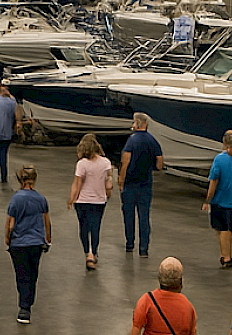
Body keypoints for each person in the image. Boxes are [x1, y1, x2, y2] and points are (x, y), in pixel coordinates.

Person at [4, 165, 50, 324]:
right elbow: (47, 222)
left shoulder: (16, 199)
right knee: (32, 274)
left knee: (22, 275)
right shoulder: (41, 199)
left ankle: (24, 309)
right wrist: (47, 239)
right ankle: (29, 301)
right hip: (37, 242)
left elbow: (10, 224)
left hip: (19, 243)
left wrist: (7, 239)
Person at [119, 112, 164, 257]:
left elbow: (125, 162)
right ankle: (144, 248)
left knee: (129, 215)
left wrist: (121, 180)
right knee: (144, 217)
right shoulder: (152, 141)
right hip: (146, 184)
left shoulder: (131, 141)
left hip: (130, 184)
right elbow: (160, 162)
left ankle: (130, 243)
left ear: (137, 123)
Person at [204, 130, 232, 269]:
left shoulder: (219, 159)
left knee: (222, 229)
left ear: (224, 144)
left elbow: (213, 181)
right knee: (229, 231)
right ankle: (225, 254)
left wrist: (207, 200)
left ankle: (226, 257)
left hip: (221, 200)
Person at [69, 134, 113, 270]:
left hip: (82, 201)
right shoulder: (105, 162)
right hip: (99, 201)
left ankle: (87, 253)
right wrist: (108, 193)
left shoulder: (82, 164)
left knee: (83, 227)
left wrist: (71, 199)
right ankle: (93, 253)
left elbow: (77, 183)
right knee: (95, 227)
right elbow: (109, 181)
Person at [132, 257, 196, 335]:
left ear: (159, 279)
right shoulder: (188, 307)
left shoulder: (147, 300)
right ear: (180, 282)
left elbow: (136, 330)